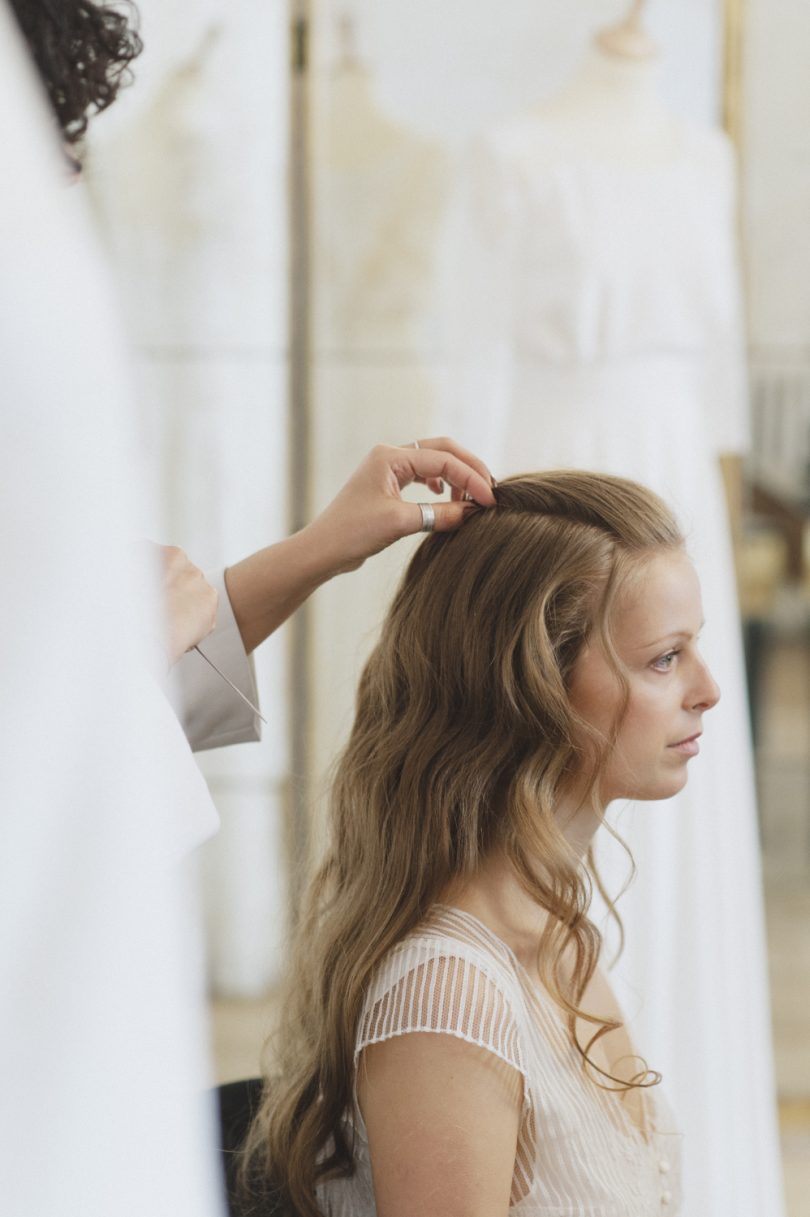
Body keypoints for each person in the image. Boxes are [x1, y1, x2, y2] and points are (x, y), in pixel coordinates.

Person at [239, 469, 719, 1217]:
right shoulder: (449, 998)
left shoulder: (557, 931)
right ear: (533, 685)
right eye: (665, 657)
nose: (708, 688)